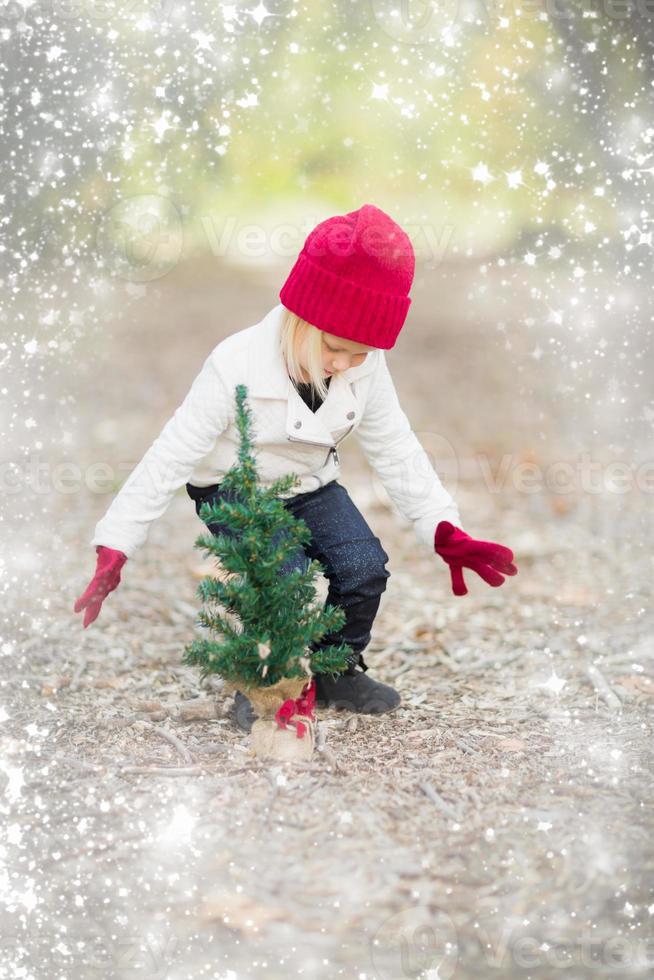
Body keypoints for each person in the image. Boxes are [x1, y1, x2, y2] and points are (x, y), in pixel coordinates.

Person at [74, 203, 517, 728]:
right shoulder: (234, 363)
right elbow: (172, 452)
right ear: (303, 317)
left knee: (363, 568)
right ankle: (264, 679)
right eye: (337, 348)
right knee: (277, 578)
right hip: (234, 486)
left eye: (362, 355)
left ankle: (337, 666)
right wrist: (117, 542)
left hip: (310, 482)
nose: (347, 365)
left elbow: (397, 447)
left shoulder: (365, 366)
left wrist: (443, 527)